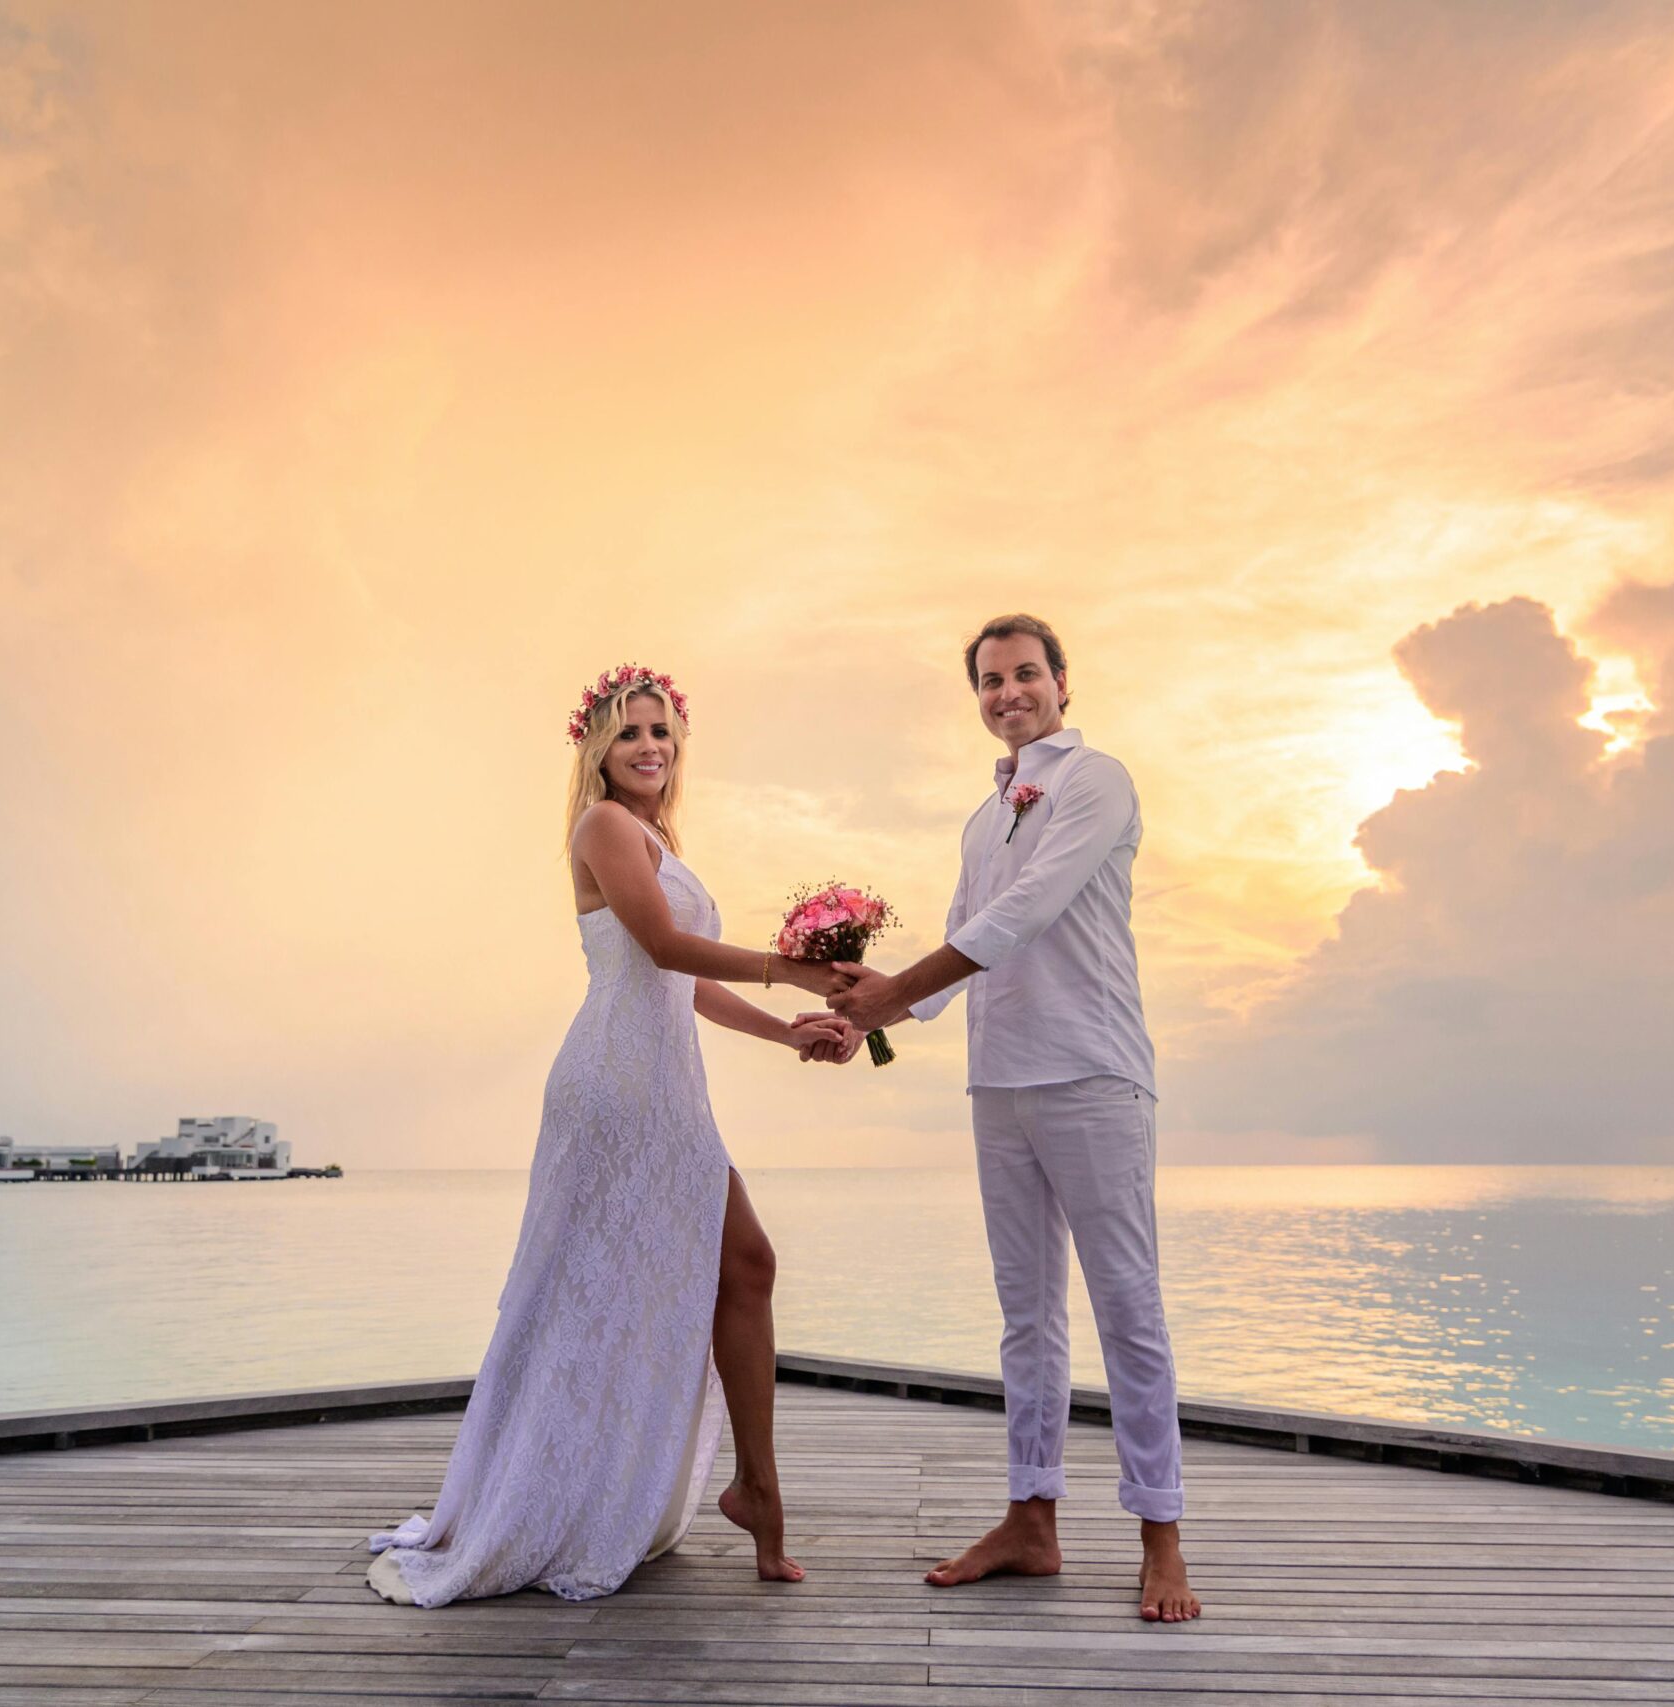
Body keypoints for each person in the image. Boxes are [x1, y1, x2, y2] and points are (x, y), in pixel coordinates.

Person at [366, 665, 864, 1606]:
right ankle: (705, 1490)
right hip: (614, 1090)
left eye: (662, 733)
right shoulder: (601, 825)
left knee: (740, 1267)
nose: (649, 747)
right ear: (599, 748)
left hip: (667, 1084)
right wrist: (795, 972)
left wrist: (785, 1032)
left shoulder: (660, 837)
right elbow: (668, 949)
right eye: (630, 733)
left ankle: (755, 1489)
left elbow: (686, 987)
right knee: (612, 1282)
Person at [829, 614, 1200, 1622]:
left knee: (1128, 1307)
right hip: (999, 1084)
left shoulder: (1096, 780)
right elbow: (959, 948)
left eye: (1025, 674)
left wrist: (887, 992)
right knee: (1026, 1314)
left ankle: (1159, 1538)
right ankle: (1030, 1523)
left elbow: (1024, 916)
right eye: (990, 682)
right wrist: (860, 1016)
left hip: (1092, 1075)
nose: (1008, 693)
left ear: (1063, 684)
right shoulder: (982, 811)